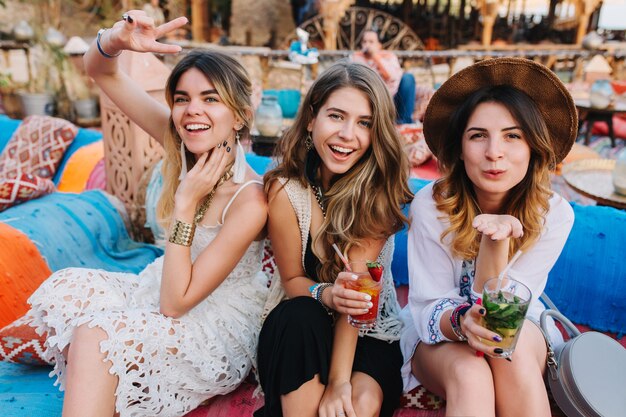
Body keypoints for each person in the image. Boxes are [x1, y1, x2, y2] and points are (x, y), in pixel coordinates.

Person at [27, 11, 269, 417]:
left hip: (214, 323)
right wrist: (115, 40)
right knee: (70, 289)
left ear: (240, 114)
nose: (193, 111)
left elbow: (176, 304)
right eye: (182, 99)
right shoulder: (180, 140)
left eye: (211, 99)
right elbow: (101, 72)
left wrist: (186, 205)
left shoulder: (251, 200)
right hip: (158, 284)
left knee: (95, 333)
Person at [400, 58, 577, 416]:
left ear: (534, 146)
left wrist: (495, 243)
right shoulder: (430, 206)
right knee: (470, 374)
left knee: (512, 350)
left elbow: (502, 319)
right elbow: (427, 305)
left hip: (518, 327)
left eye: (513, 136)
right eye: (478, 135)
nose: (494, 152)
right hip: (440, 332)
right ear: (460, 149)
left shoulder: (555, 214)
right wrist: (463, 322)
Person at [255, 61, 413, 417]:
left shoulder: (377, 194)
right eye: (336, 116)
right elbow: (293, 279)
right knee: (301, 313)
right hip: (300, 329)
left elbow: (359, 301)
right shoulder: (286, 191)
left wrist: (340, 381)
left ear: (377, 134)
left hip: (366, 334)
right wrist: (326, 293)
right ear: (312, 119)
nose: (347, 134)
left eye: (364, 123)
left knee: (359, 405)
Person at [351, 29, 416, 125]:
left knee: (408, 78)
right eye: (364, 42)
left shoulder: (389, 56)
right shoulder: (356, 58)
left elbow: (391, 76)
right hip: (372, 99)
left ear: (379, 45)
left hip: (393, 98)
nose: (367, 45)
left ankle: (403, 122)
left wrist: (375, 57)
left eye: (371, 42)